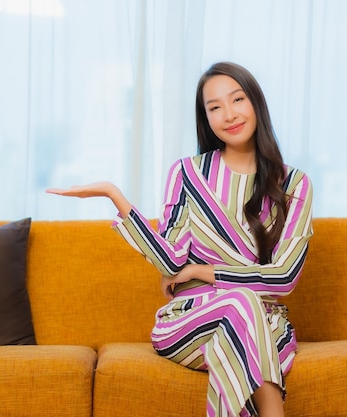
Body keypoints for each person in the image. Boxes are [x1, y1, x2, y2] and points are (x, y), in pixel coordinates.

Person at [47, 62, 313, 417]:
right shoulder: (187, 173)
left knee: (241, 306)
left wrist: (202, 271)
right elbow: (172, 261)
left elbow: (283, 279)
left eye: (237, 100)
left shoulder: (294, 184)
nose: (229, 114)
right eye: (215, 107)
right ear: (205, 118)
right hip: (191, 321)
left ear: (256, 104)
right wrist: (116, 197)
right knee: (240, 303)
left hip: (265, 327)